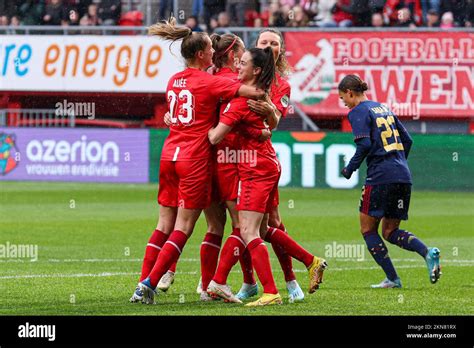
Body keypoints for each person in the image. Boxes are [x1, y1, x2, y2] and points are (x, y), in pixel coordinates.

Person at [129, 17, 264, 305]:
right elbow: (247, 92)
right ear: (202, 54)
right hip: (196, 158)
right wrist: (265, 87)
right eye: (209, 51)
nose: (213, 54)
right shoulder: (210, 81)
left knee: (164, 224)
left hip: (169, 155)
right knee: (186, 227)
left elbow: (178, 111)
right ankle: (151, 284)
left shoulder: (172, 80)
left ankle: (145, 283)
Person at [207, 47, 327, 306]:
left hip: (254, 169)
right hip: (267, 162)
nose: (239, 65)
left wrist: (193, 126)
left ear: (257, 70)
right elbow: (269, 126)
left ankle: (270, 291)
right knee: (263, 228)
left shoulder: (241, 102)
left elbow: (215, 137)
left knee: (248, 230)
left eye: (245, 63)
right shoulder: (260, 96)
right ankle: (311, 261)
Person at [338, 74, 441, 289]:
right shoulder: (383, 108)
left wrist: (350, 168)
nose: (344, 103)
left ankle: (393, 279)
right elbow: (408, 140)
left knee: (368, 230)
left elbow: (364, 145)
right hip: (403, 176)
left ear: (350, 92)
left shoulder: (357, 111)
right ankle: (427, 252)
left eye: (343, 98)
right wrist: (397, 163)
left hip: (379, 177)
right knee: (390, 232)